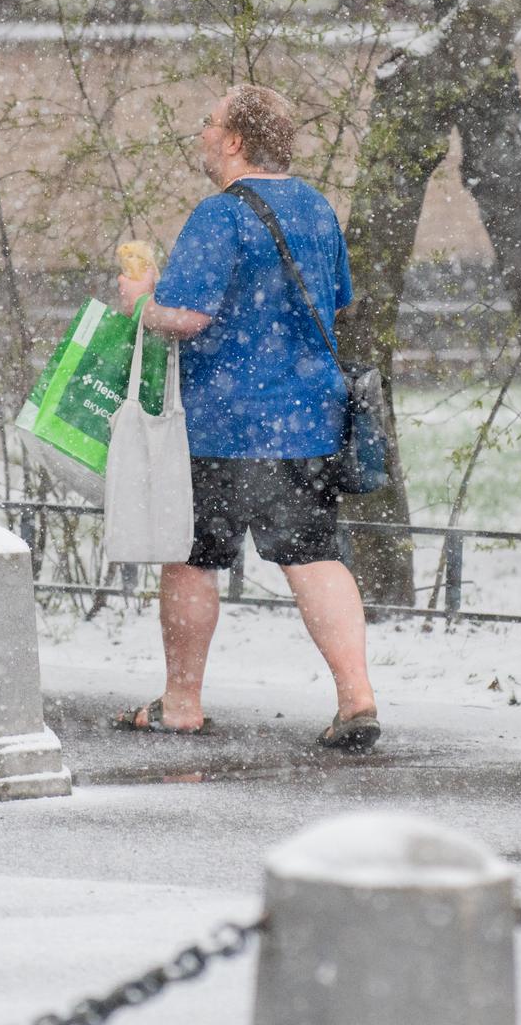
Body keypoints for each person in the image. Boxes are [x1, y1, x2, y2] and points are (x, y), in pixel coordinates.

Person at [111, 83, 381, 752]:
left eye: (210, 122)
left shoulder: (219, 215)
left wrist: (141, 302)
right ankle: (357, 699)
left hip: (225, 425)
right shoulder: (317, 207)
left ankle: (180, 703)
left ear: (234, 140)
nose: (202, 132)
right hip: (308, 420)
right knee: (315, 556)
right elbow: (338, 299)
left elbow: (188, 317)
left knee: (191, 558)